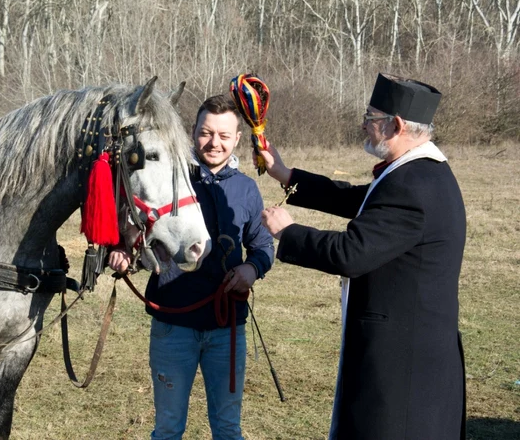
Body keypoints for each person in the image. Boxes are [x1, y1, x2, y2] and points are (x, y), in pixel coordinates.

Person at [258, 73, 466, 440]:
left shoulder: (413, 185)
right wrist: (286, 174)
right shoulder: (415, 173)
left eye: (371, 117)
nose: (364, 125)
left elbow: (350, 253)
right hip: (406, 351)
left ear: (396, 125)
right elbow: (358, 200)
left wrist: (288, 231)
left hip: (403, 366)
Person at [109, 94, 274, 439]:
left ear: (237, 139)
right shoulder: (165, 179)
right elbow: (135, 230)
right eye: (205, 132)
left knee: (228, 428)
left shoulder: (246, 190)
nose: (214, 143)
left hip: (227, 328)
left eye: (224, 135)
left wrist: (252, 269)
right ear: (191, 132)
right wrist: (124, 252)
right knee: (168, 428)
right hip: (173, 327)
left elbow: (261, 246)